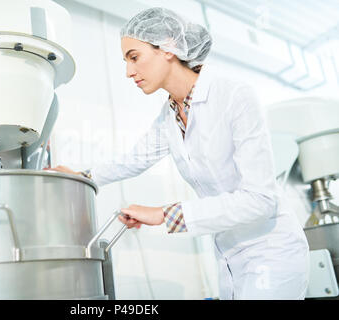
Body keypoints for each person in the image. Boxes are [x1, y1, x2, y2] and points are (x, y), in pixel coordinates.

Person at [47, 7, 309, 300]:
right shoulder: (170, 115)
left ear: (168, 47)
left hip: (271, 250)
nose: (128, 72)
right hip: (229, 254)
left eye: (134, 57)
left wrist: (164, 214)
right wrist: (82, 176)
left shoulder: (234, 97)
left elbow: (260, 200)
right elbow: (134, 159)